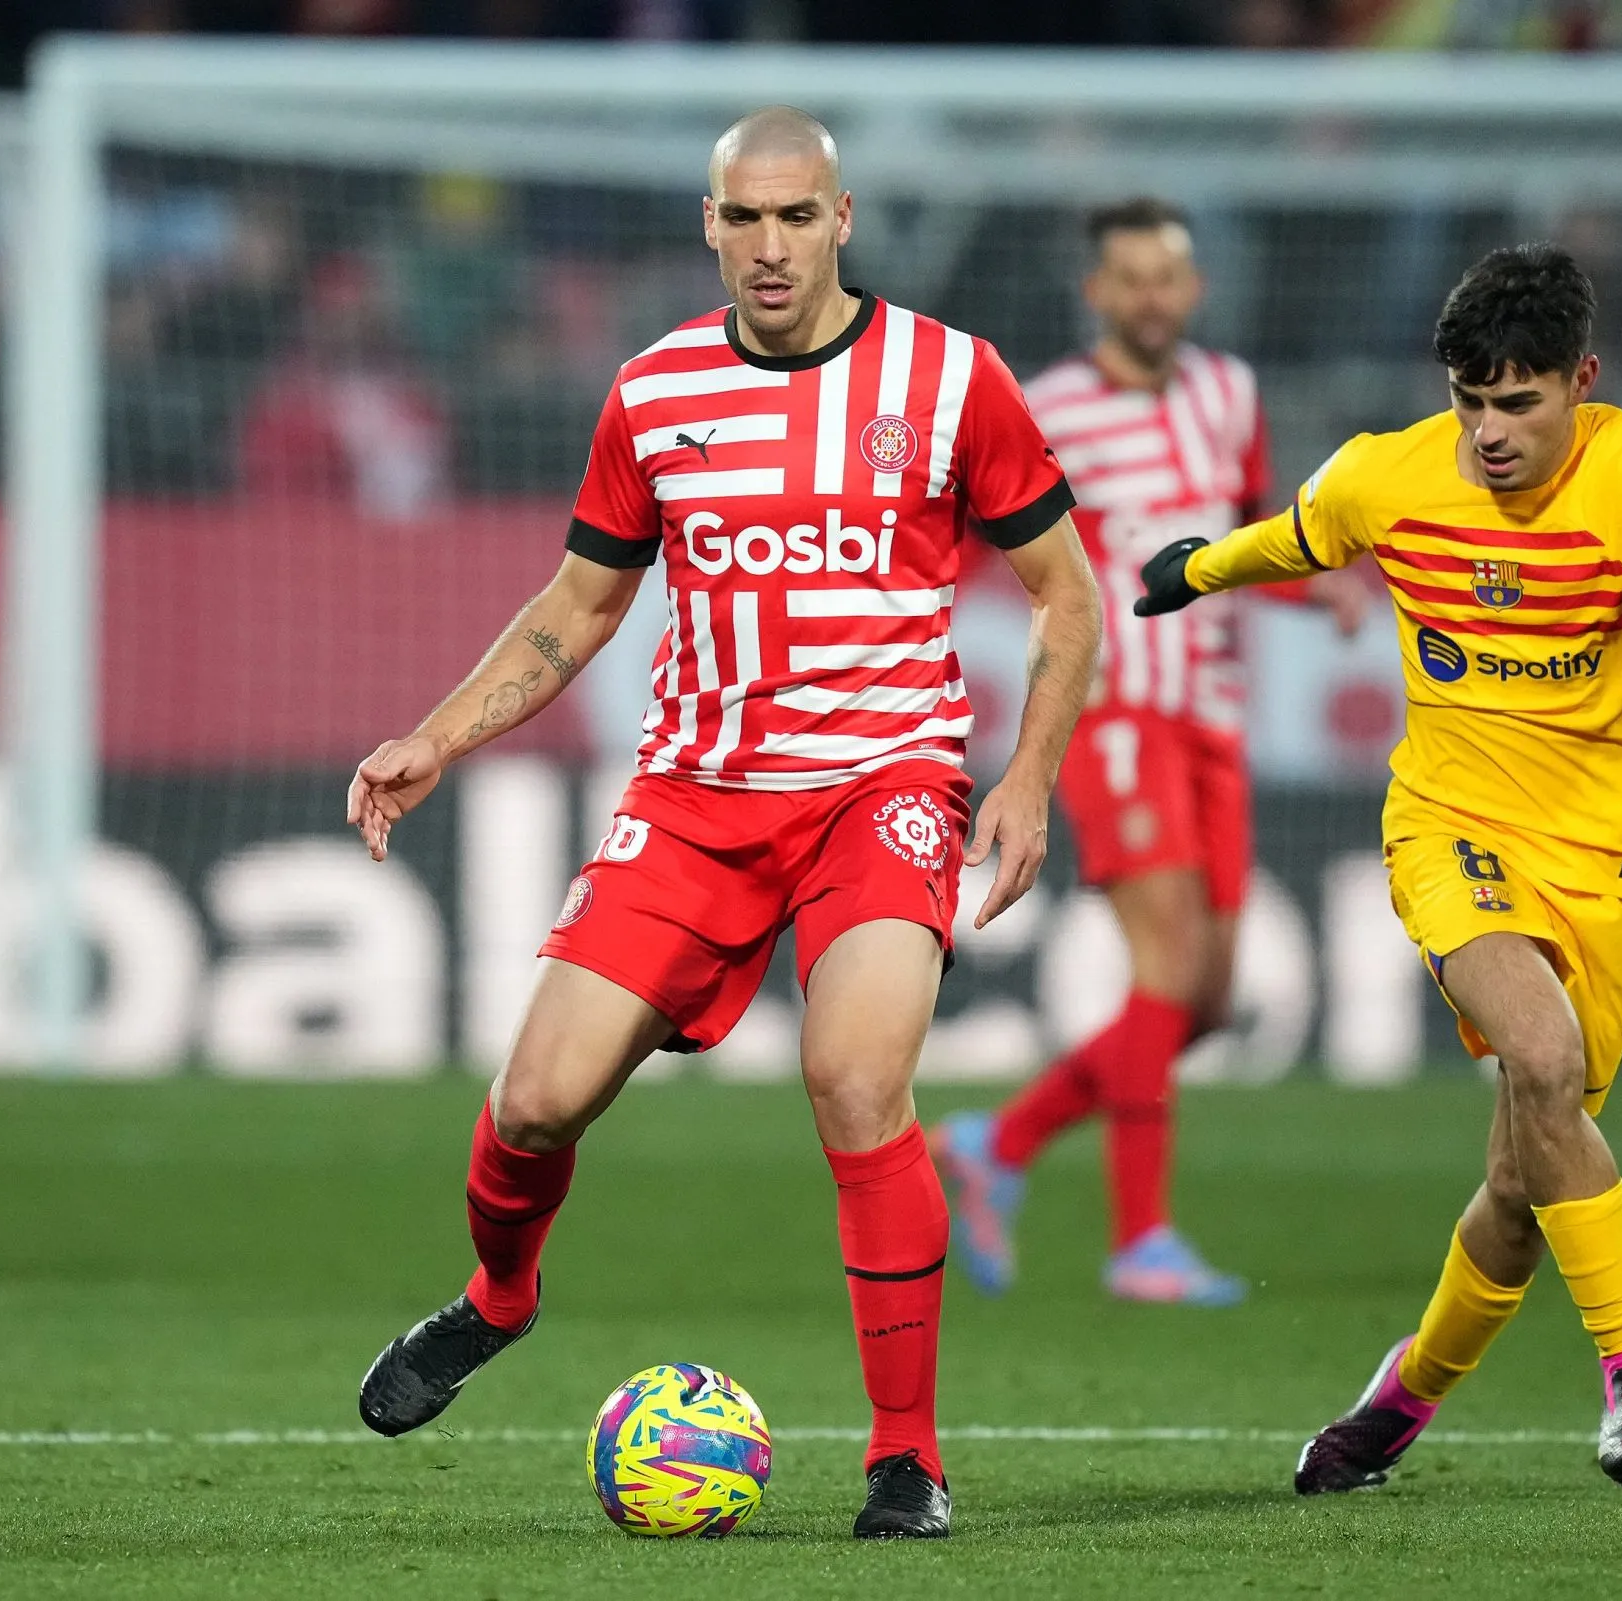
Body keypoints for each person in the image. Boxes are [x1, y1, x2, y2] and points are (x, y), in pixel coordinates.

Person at [344, 107, 1099, 1540]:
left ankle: (907, 1458)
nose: (769, 245)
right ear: (709, 223)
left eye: (796, 216)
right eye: (743, 217)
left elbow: (1067, 589)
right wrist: (436, 735)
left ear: (842, 219)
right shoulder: (653, 391)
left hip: (885, 785)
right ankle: (499, 1296)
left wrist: (1028, 774)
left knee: (856, 1080)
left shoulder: (950, 376)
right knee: (534, 1103)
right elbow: (580, 605)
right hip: (696, 801)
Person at [1133, 244, 1622, 1490]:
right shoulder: (1391, 472)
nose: (1489, 431)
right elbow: (1297, 536)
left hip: (1609, 865)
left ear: (1581, 382)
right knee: (1540, 1061)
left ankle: (1398, 1400)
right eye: (1468, 400)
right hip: (1451, 829)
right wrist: (1196, 568)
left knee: (1519, 1186)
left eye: (1517, 401)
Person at [933, 198, 1364, 1307]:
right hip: (1114, 709)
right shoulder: (1049, 407)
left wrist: (1322, 589)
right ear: (1096, 293)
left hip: (1213, 712)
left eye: (1166, 277)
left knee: (1205, 1000)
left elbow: (1247, 534)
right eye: (1128, 279)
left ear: (1195, 287)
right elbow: (992, 548)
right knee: (1165, 968)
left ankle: (997, 1141)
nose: (1150, 297)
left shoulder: (1232, 394)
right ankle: (1142, 1241)